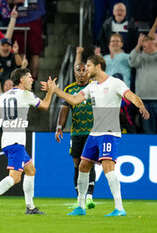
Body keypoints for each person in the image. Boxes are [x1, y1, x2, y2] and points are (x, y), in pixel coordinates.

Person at [44, 55, 150, 216]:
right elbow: (73, 100)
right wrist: (55, 90)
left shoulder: (115, 83)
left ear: (98, 66)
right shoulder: (92, 86)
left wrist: (141, 105)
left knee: (108, 167)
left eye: (88, 66)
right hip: (94, 134)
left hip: (109, 133)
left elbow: (130, 95)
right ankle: (80, 207)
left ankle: (119, 208)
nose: (86, 69)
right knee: (83, 166)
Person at [0, 68, 54, 214]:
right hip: (16, 143)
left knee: (31, 170)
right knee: (15, 178)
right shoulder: (26, 94)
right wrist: (51, 91)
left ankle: (30, 207)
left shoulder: (2, 97)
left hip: (7, 141)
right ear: (21, 80)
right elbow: (45, 106)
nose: (32, 80)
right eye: (29, 77)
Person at [55, 47, 96, 210]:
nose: (81, 73)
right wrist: (59, 127)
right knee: (77, 163)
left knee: (89, 162)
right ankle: (80, 197)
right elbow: (64, 110)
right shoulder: (69, 90)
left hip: (93, 132)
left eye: (84, 70)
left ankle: (90, 197)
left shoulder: (95, 87)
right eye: (78, 70)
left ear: (88, 71)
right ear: (74, 72)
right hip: (76, 132)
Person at [129, 33, 157, 134]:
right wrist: (138, 46)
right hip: (143, 100)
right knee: (147, 131)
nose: (146, 48)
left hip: (156, 98)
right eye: (144, 46)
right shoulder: (140, 57)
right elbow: (132, 62)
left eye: (148, 45)